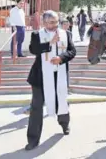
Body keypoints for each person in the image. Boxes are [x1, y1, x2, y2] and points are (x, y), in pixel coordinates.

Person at [25, 10, 76, 151]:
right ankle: (33, 139)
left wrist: (61, 58)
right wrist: (49, 44)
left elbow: (72, 51)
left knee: (62, 100)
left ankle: (64, 124)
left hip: (59, 75)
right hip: (40, 77)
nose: (55, 25)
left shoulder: (66, 34)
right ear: (44, 23)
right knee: (36, 107)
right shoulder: (37, 35)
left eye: (56, 22)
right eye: (51, 22)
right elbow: (33, 50)